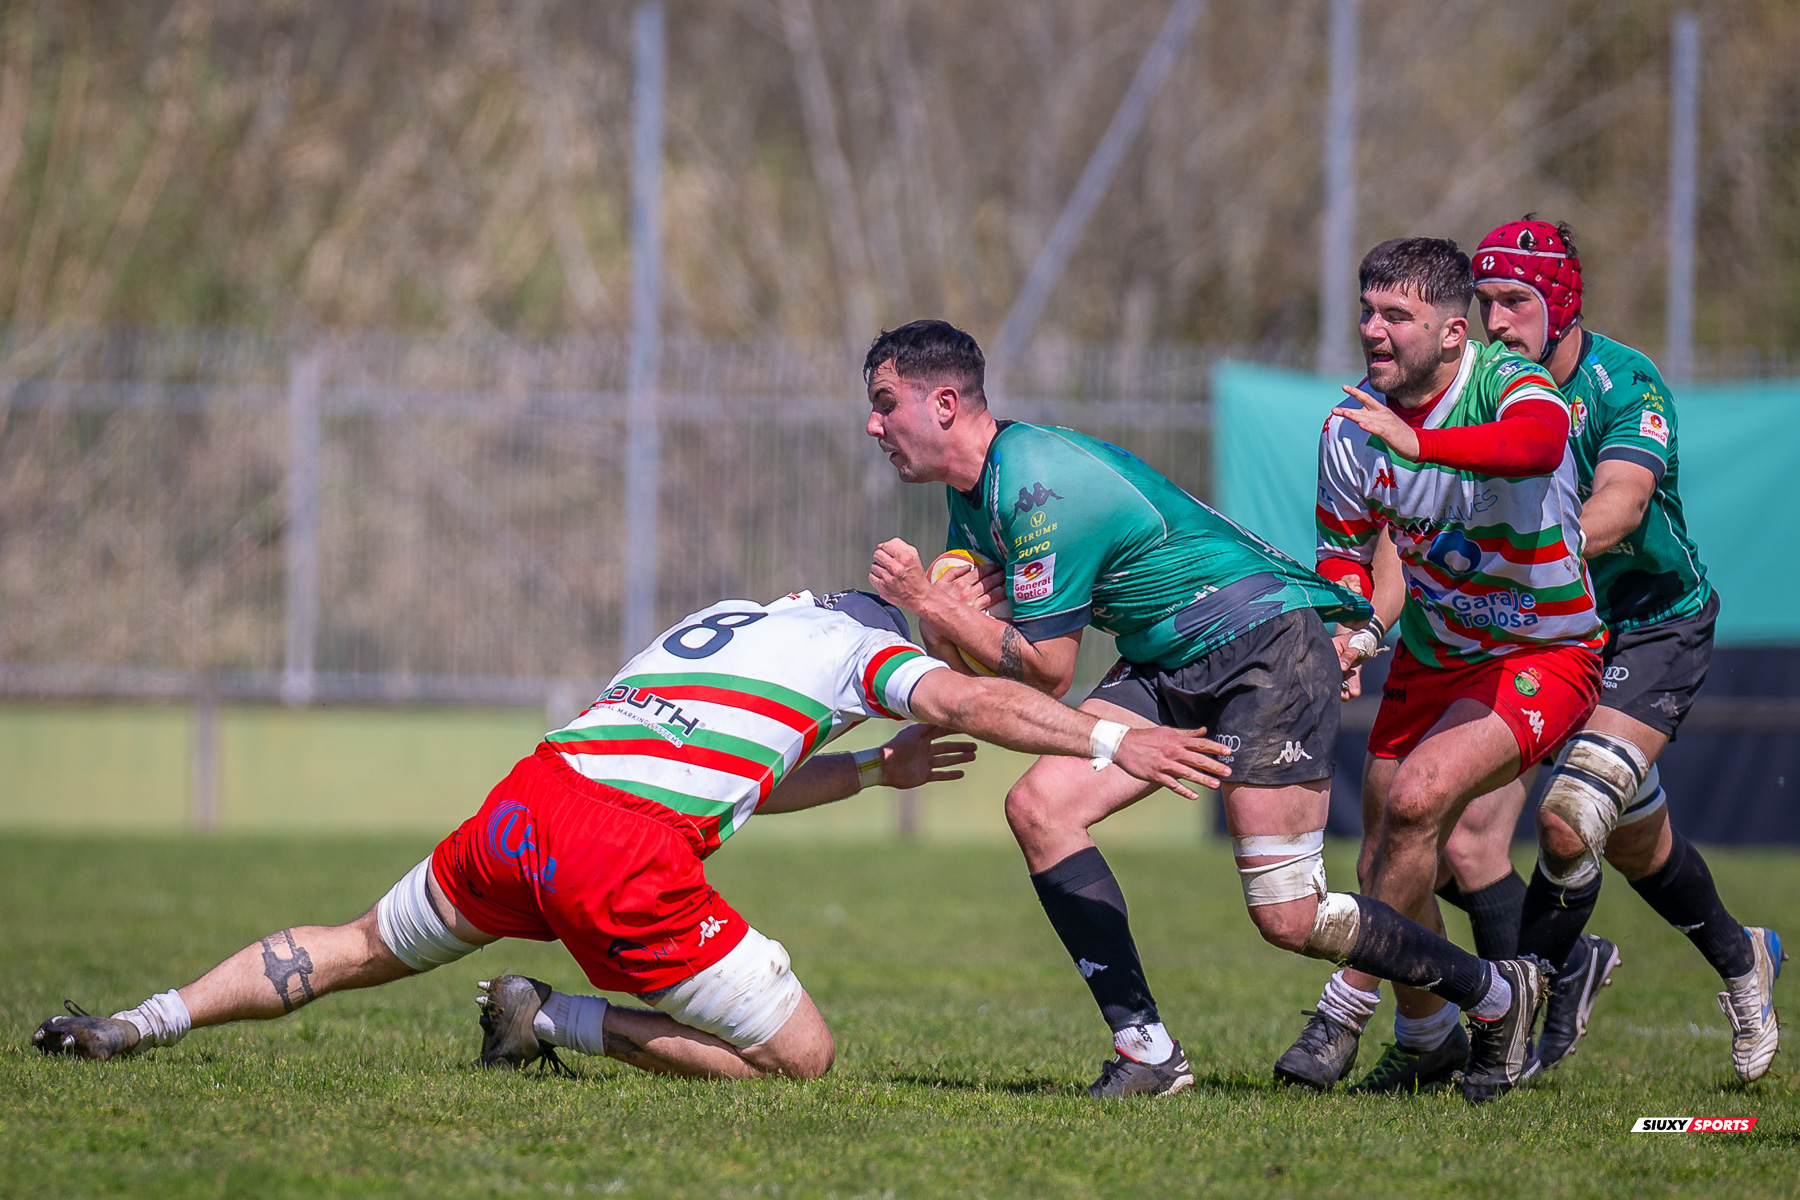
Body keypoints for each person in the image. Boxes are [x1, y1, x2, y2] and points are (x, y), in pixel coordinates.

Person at [34, 589, 1234, 1080]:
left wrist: (866, 773)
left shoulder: (728, 620)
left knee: (349, 945)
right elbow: (974, 699)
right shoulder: (856, 648)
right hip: (620, 852)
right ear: (895, 631)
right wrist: (1107, 741)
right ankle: (548, 1016)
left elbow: (734, 781)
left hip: (528, 806)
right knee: (802, 1062)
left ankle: (147, 1019)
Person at [864, 318, 1549, 1102]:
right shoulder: (974, 499)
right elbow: (984, 651)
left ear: (945, 403)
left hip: (1265, 648)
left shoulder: (1037, 483)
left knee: (1289, 916)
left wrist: (930, 604)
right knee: (1041, 807)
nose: (874, 424)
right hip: (1168, 659)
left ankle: (1500, 993)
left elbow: (1046, 673)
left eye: (886, 403)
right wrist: (944, 616)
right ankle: (1147, 1050)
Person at [1442, 216, 1781, 1083]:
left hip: (1654, 624)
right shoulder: (1480, 388)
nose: (1496, 322)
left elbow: (1621, 506)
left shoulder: (1626, 383)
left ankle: (1524, 1011)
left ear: (1560, 306)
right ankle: (1744, 954)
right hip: (1546, 630)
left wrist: (1523, 560)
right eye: (1484, 303)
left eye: (1515, 302)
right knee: (1472, 839)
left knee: (1570, 820)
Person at [1286, 237, 1607, 1101]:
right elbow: (1342, 553)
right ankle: (1436, 1032)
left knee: (1425, 800)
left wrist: (1423, 446)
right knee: (1385, 858)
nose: (1374, 332)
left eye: (1398, 316)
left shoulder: (1509, 379)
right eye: (1368, 313)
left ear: (1455, 331)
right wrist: (1351, 628)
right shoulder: (1350, 430)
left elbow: (1538, 447)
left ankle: (1346, 1008)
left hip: (1547, 648)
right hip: (1436, 651)